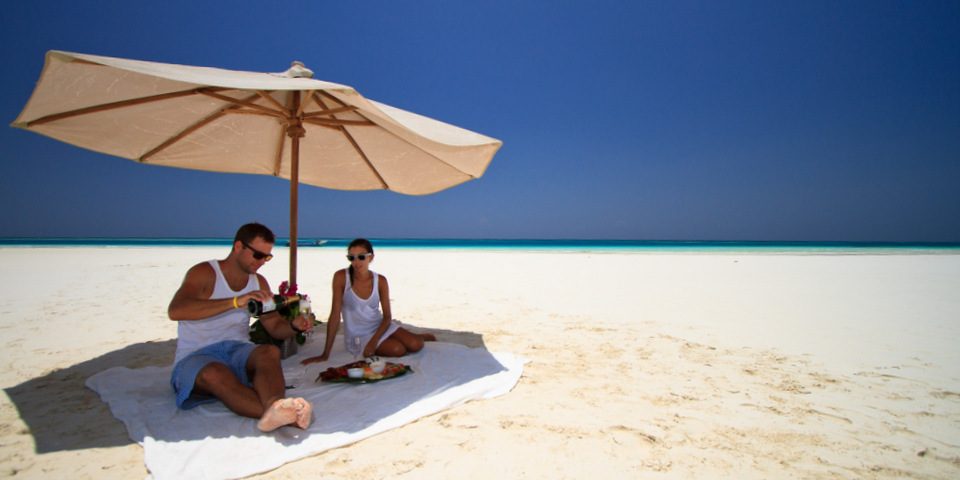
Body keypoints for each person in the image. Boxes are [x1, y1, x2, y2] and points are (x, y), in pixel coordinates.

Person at [168, 222, 313, 432]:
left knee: (269, 351)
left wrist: (295, 326)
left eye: (267, 257)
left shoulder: (259, 282)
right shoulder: (204, 273)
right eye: (258, 255)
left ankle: (276, 406)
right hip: (196, 356)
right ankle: (288, 415)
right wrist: (235, 301)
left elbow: (274, 328)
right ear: (238, 247)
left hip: (237, 351)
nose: (262, 262)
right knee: (215, 373)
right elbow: (176, 310)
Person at [301, 238, 434, 365]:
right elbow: (335, 315)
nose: (356, 262)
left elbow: (387, 317)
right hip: (358, 336)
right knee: (398, 350)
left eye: (361, 257)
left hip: (379, 326)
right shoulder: (341, 277)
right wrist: (325, 354)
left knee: (416, 345)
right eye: (351, 257)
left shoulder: (380, 280)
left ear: (371, 257)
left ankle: (417, 336)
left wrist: (374, 342)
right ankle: (402, 337)